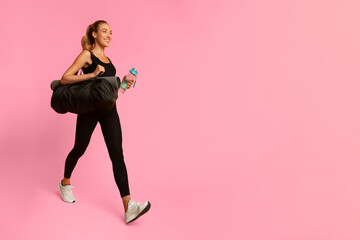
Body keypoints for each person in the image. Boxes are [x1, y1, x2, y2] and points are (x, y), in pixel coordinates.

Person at [57, 20, 150, 224]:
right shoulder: (86, 55)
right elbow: (65, 78)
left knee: (117, 155)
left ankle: (129, 206)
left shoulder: (109, 60)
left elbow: (111, 93)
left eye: (111, 32)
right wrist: (91, 73)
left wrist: (124, 83)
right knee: (79, 149)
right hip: (89, 110)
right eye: (104, 31)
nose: (109, 35)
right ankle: (65, 183)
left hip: (109, 110)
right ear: (95, 35)